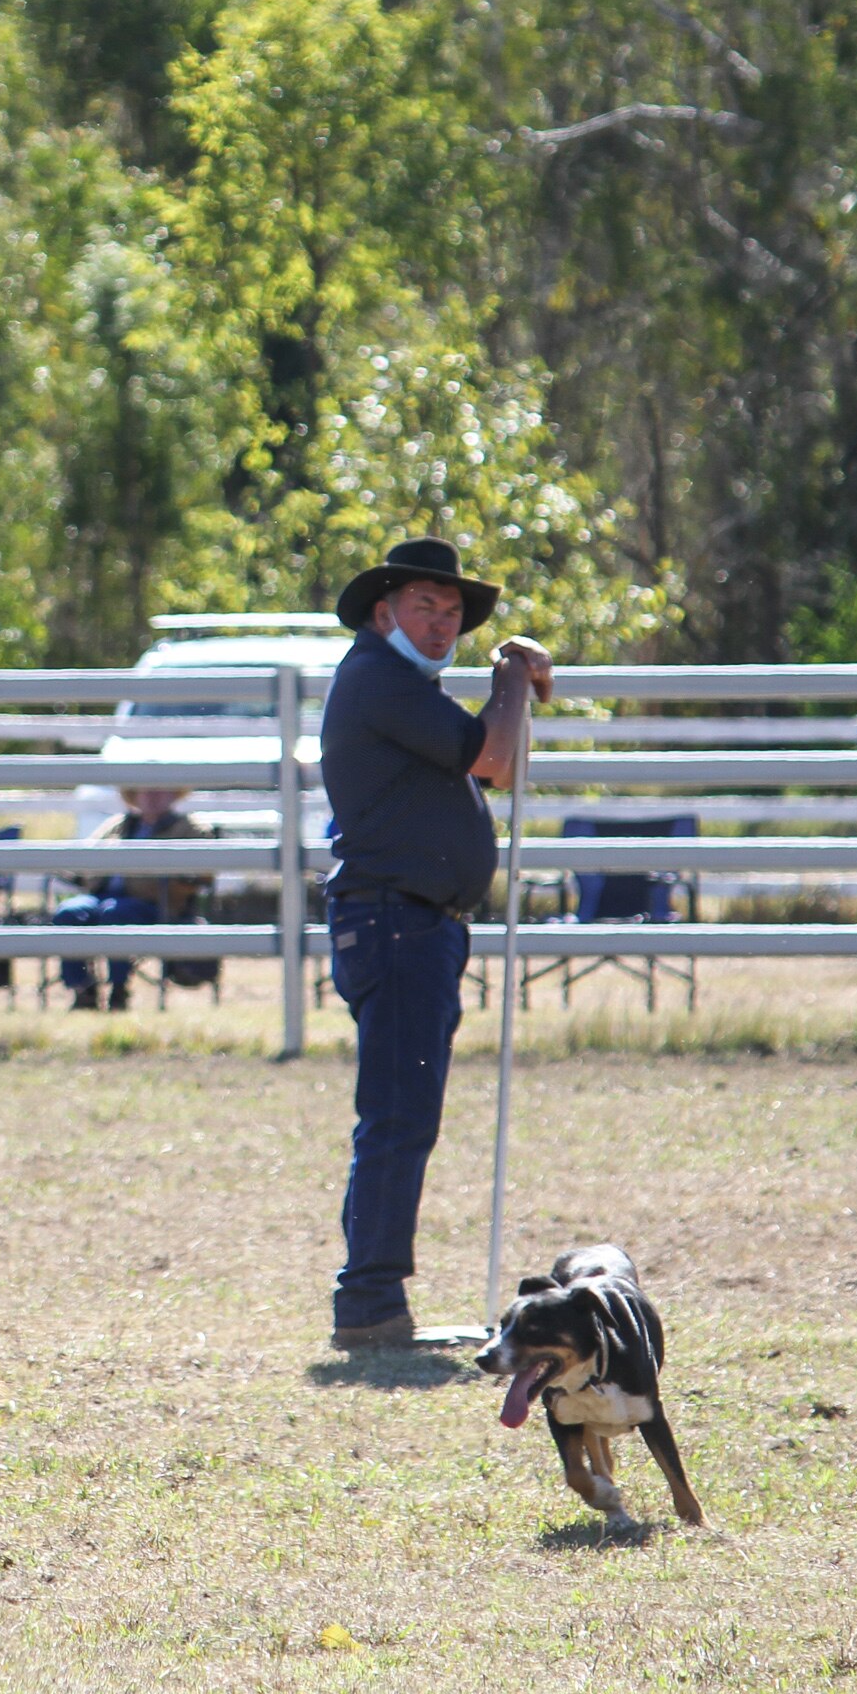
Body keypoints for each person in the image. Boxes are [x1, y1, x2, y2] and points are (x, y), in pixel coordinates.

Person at [320, 536, 549, 1350]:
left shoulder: (400, 685)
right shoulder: (380, 680)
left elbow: (498, 760)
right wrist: (513, 679)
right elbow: (493, 757)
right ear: (384, 611)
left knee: (401, 1111)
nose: (443, 620)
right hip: (396, 923)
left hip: (412, 924)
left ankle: (373, 1296)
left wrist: (508, 689)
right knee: (397, 1113)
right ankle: (370, 1300)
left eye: (453, 610)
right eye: (426, 604)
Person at [55, 786, 214, 1011]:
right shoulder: (119, 824)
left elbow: (201, 875)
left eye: (158, 791)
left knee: (115, 914)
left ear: (172, 796)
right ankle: (82, 988)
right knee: (69, 912)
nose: (151, 797)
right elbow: (86, 856)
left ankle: (118, 988)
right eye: (145, 791)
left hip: (155, 904)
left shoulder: (190, 828)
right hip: (102, 896)